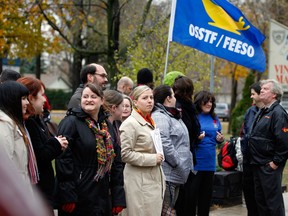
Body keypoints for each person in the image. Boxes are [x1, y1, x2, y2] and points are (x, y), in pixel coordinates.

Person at [55, 83, 126, 216]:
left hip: (102, 195)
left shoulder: (106, 127)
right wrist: (68, 195)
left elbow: (116, 163)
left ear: (102, 100)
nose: (88, 100)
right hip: (79, 195)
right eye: (85, 96)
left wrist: (118, 197)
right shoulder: (71, 123)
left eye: (93, 96)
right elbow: (63, 160)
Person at [17, 76, 69, 210]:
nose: (45, 99)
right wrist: (56, 144)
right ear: (31, 98)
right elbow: (39, 155)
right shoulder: (29, 123)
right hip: (38, 194)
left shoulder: (35, 120)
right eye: (42, 95)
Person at [120, 85, 165, 216]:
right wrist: (152, 159)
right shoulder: (130, 123)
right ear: (135, 102)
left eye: (151, 97)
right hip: (138, 183)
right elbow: (125, 154)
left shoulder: (150, 121)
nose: (150, 101)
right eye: (145, 98)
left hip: (153, 180)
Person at [248, 79, 288, 216]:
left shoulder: (278, 113)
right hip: (258, 164)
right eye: (261, 88)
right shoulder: (262, 111)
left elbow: (284, 141)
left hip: (269, 166)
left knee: (273, 204)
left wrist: (275, 163)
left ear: (274, 94)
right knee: (261, 203)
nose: (261, 91)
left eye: (265, 89)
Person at [151, 85, 192, 215]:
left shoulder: (172, 115)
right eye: (173, 95)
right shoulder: (160, 116)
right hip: (169, 173)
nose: (175, 98)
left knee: (170, 210)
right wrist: (177, 162)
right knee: (166, 212)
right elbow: (164, 143)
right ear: (168, 98)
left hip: (177, 174)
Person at [190, 90, 224, 216]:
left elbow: (218, 136)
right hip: (196, 163)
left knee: (206, 198)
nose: (209, 104)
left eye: (211, 101)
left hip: (210, 163)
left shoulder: (214, 118)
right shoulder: (194, 117)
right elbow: (187, 138)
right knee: (192, 197)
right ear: (199, 102)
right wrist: (196, 138)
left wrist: (220, 139)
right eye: (206, 101)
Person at [0, 81, 35, 195]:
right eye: (23, 98)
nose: (27, 103)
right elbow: (5, 166)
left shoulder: (12, 123)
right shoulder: (4, 124)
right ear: (12, 100)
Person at [173, 76, 201, 215]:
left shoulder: (187, 107)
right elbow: (188, 130)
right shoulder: (181, 108)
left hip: (186, 156)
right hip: (181, 158)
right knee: (184, 199)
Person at [240, 82, 263, 216]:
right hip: (248, 161)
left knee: (260, 197)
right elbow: (244, 133)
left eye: (253, 94)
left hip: (261, 162)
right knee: (248, 193)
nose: (251, 97)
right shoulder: (250, 111)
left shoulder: (269, 112)